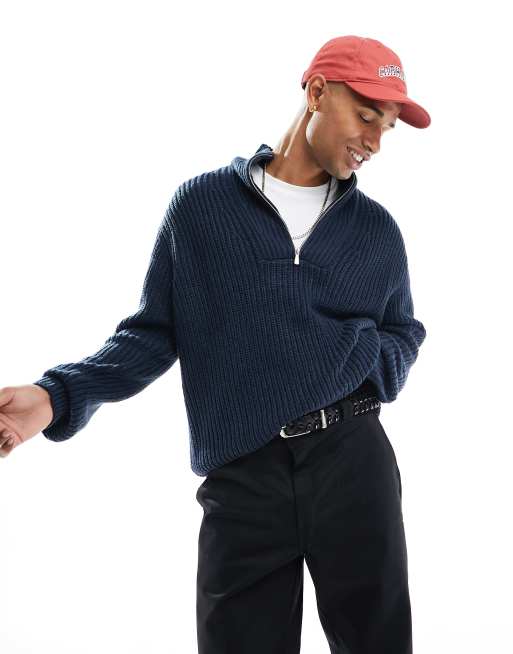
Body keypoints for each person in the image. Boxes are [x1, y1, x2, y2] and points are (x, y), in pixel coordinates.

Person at [0, 35, 430, 653]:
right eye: (366, 116)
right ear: (316, 92)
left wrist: (363, 355)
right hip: (243, 474)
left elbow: (404, 332)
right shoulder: (202, 208)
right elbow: (153, 332)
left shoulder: (377, 231)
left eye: (386, 128)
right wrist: (56, 396)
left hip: (352, 462)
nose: (374, 142)